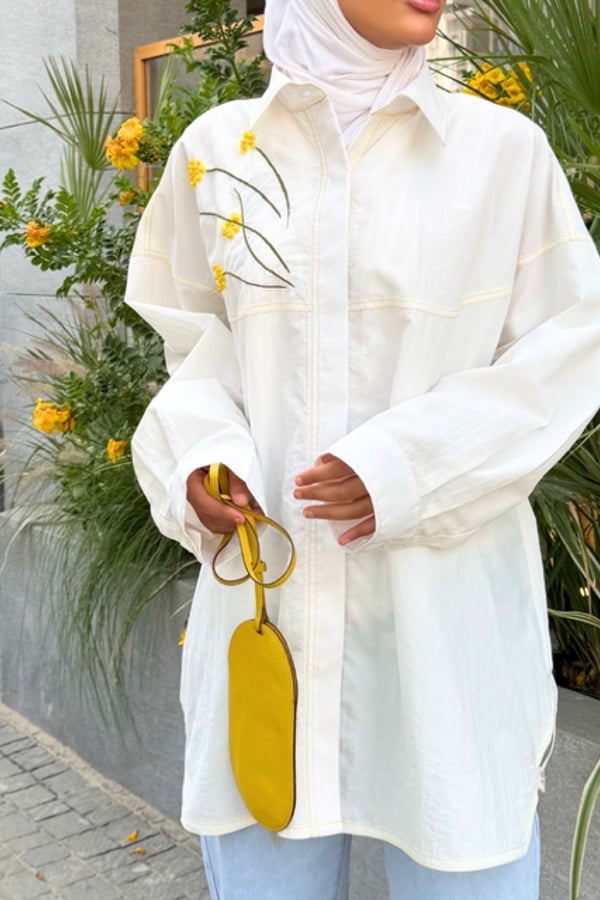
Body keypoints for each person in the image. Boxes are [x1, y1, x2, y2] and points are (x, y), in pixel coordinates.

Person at [124, 0, 600, 897]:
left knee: (465, 849)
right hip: (267, 616)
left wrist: (408, 468)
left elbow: (571, 352)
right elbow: (193, 350)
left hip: (444, 632)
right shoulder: (218, 152)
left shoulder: (501, 155)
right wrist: (197, 459)